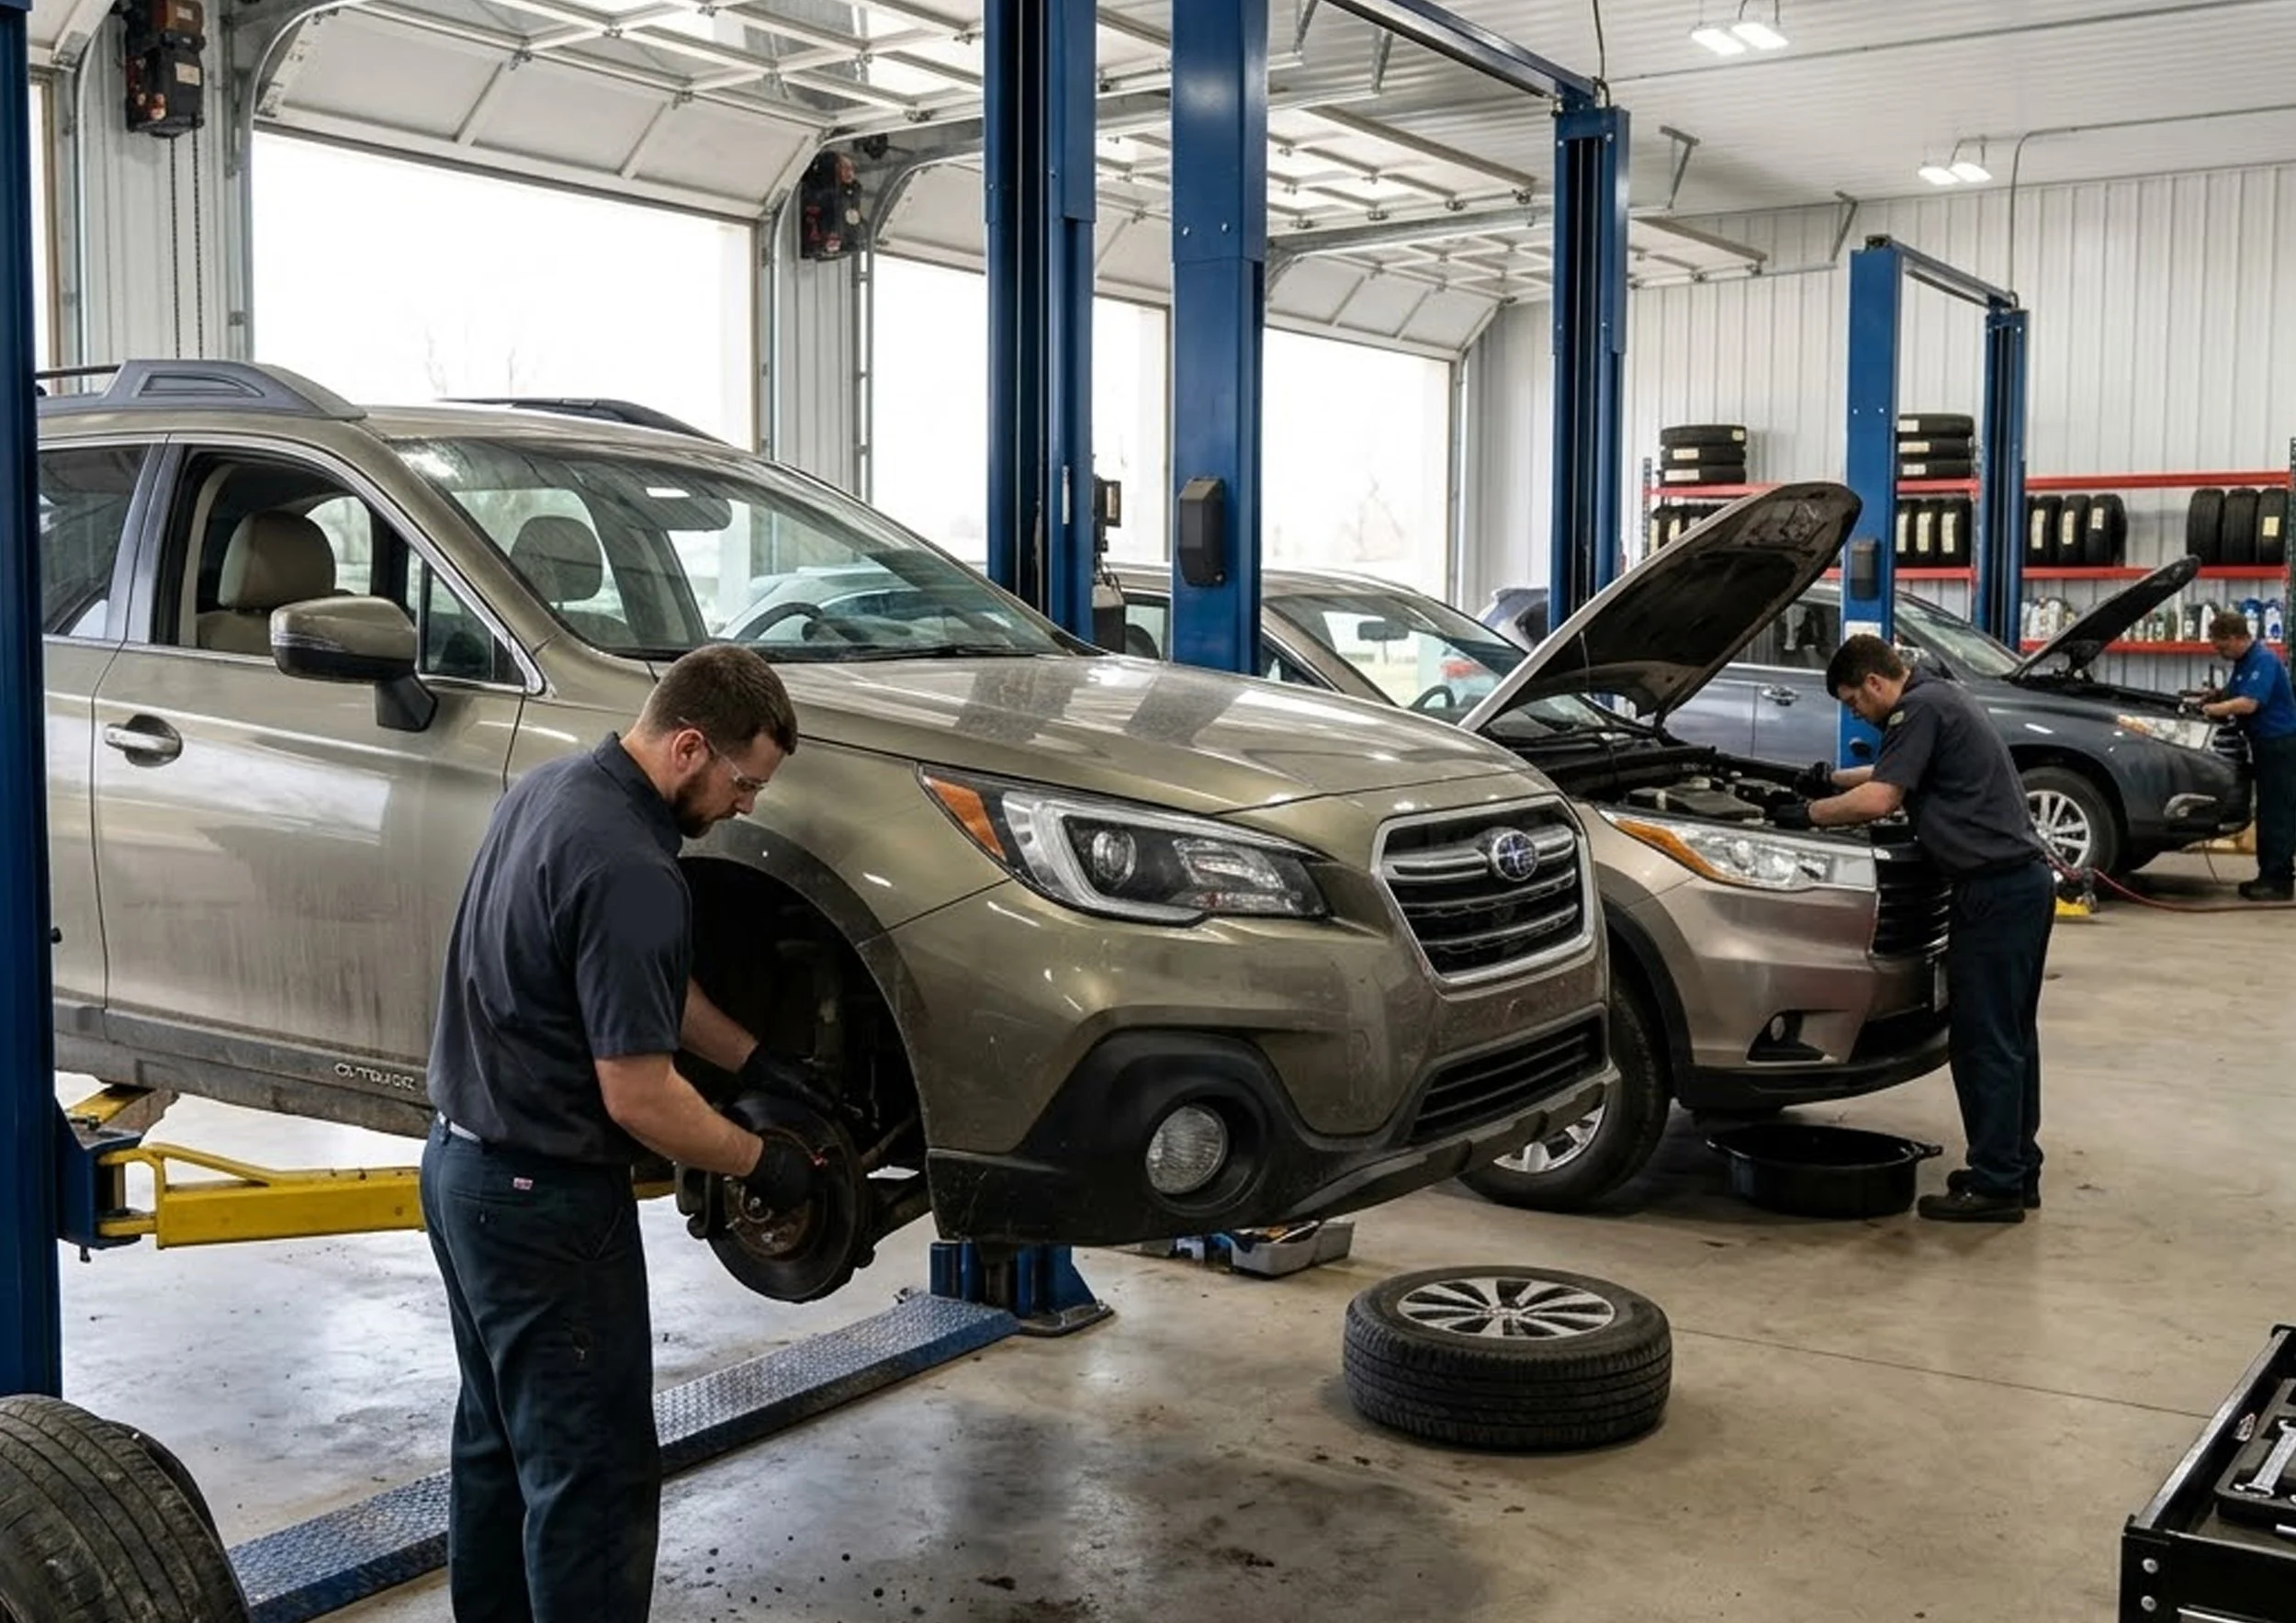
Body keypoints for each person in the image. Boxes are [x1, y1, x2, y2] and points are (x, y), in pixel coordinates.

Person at [418, 644, 826, 1621]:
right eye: (744, 782)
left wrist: (751, 1063)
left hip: (461, 1176)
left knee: (502, 1447)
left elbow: (635, 989)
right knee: (591, 1480)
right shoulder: (636, 870)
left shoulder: (555, 790)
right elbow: (640, 1098)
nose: (748, 805)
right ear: (691, 747)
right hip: (544, 1209)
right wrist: (761, 1161)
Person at [1773, 636, 2054, 1223]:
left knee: (1982, 1042)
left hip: (1994, 895)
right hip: (2020, 888)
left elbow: (1881, 798)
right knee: (2012, 1036)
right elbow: (1891, 770)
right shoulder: (1938, 694)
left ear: (1875, 683)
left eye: (1854, 702)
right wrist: (1829, 780)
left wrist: (1809, 815)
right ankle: (2015, 1167)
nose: (1856, 714)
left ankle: (1995, 1186)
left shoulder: (1917, 707)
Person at [2193, 608, 2296, 902]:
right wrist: (2215, 697)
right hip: (2264, 744)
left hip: (2279, 746)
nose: (2220, 652)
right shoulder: (2244, 661)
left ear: (2238, 638)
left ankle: (2277, 881)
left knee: (2277, 814)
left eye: (2222, 646)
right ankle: (2270, 875)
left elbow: (2250, 703)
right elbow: (2234, 692)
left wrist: (2214, 710)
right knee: (2267, 811)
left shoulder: (2263, 660)